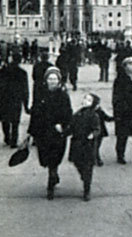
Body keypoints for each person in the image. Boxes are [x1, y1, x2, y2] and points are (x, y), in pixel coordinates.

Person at [28, 67, 71, 199]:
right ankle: (53, 173)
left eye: (55, 79)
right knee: (44, 157)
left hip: (57, 132)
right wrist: (31, 132)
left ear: (59, 80)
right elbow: (35, 112)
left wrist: (63, 126)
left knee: (55, 156)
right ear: (46, 80)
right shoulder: (41, 94)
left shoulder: (63, 95)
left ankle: (51, 183)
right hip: (43, 131)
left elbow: (68, 113)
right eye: (50, 78)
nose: (52, 81)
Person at [66, 93, 105, 201]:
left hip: (88, 144)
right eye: (85, 99)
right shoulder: (77, 114)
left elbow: (97, 128)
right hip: (77, 143)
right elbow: (71, 127)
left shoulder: (94, 115)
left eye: (89, 100)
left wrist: (93, 134)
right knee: (77, 163)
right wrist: (64, 133)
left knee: (88, 167)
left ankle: (87, 189)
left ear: (93, 104)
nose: (85, 101)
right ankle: (84, 176)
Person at [0, 55, 29, 148]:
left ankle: (7, 137)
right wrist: (26, 104)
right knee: (15, 121)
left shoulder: (3, 71)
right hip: (16, 100)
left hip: (3, 99)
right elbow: (25, 90)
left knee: (5, 119)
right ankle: (14, 141)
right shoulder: (22, 73)